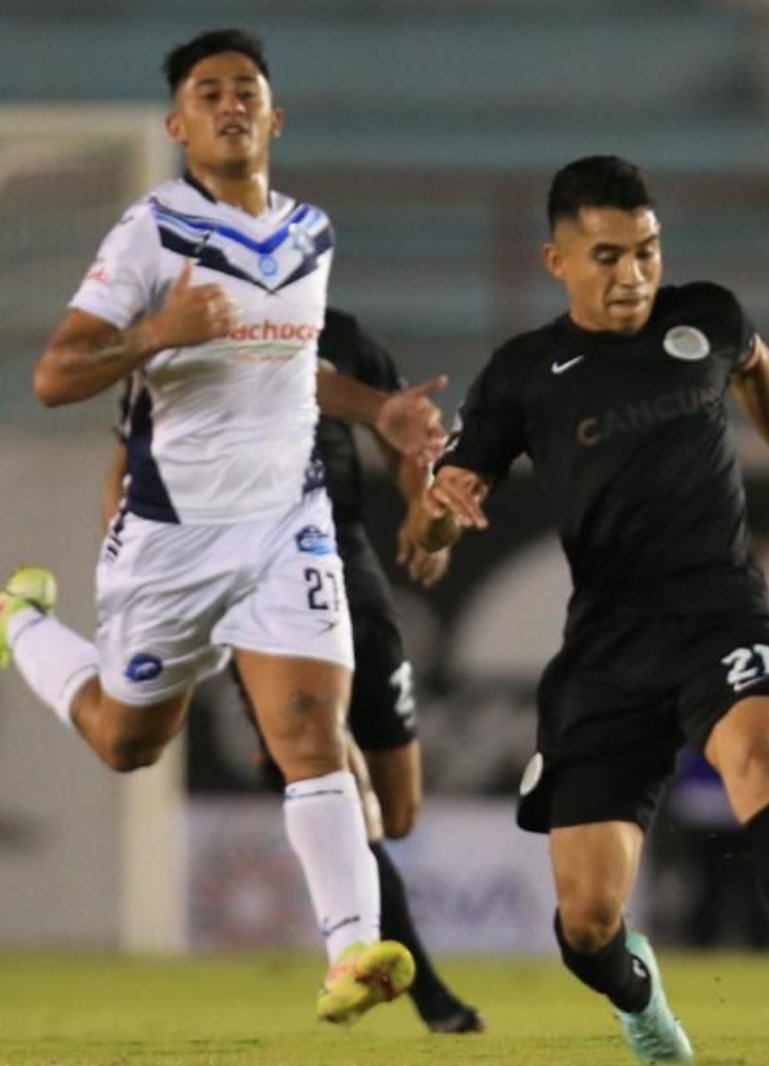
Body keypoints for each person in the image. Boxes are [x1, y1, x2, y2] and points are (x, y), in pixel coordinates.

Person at [0, 28, 447, 1025]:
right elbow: (53, 372)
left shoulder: (310, 233)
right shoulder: (148, 233)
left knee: (308, 730)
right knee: (124, 741)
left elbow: (291, 365)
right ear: (177, 125)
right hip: (173, 536)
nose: (231, 103)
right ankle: (23, 624)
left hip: (286, 522)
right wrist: (154, 334)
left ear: (275, 117)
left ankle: (353, 953)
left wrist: (375, 409)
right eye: (208, 92)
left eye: (246, 89)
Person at [406, 155, 769, 1064]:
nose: (632, 275)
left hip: (723, 614)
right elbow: (432, 527)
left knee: (763, 754)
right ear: (557, 261)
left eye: (646, 251)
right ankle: (641, 1001)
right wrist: (440, 505)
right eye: (606, 256)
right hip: (606, 649)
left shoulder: (705, 316)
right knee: (588, 922)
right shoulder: (524, 372)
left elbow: (755, 365)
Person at [97, 307, 484, 1032]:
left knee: (398, 814)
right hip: (262, 591)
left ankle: (305, 775)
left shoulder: (339, 334)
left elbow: (402, 438)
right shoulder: (187, 341)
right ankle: (422, 990)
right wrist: (137, 583)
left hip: (349, 575)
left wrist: (420, 504)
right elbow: (128, 467)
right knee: (346, 786)